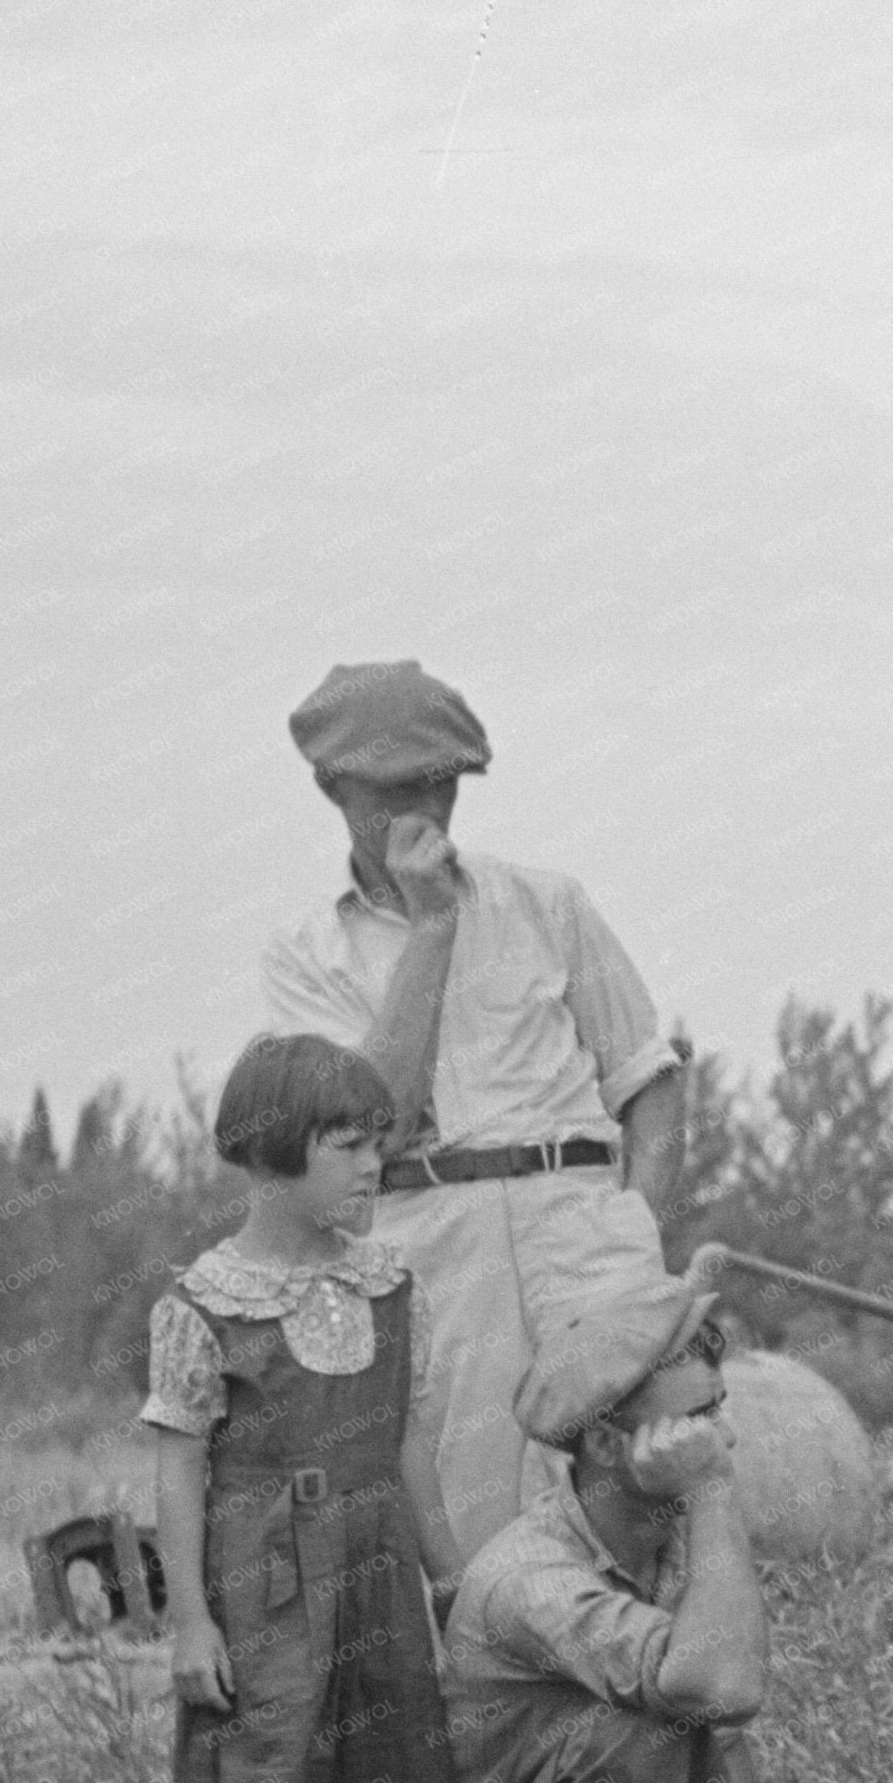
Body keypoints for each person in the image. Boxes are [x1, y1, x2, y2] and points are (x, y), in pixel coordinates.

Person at [260, 659, 687, 1600]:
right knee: (483, 1538)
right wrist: (435, 928)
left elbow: (649, 1084)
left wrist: (636, 1237)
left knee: (648, 1503)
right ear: (331, 786)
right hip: (436, 1253)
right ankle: (509, 1741)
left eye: (443, 781)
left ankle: (658, 1734)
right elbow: (372, 1119)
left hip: (582, 1231)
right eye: (396, 786)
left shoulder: (550, 904)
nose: (426, 806)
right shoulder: (307, 953)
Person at [416, 1270, 830, 1783]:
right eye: (697, 1419)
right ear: (606, 1444)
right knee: (638, 1723)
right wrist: (710, 1491)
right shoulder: (527, 1577)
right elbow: (717, 1684)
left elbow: (727, 1728)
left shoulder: (673, 1543)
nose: (723, 1439)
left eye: (718, 1411)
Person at [142, 1034, 455, 1783]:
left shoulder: (386, 1284)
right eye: (347, 1144)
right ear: (274, 1150)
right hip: (259, 1575)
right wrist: (190, 1621)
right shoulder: (204, 1300)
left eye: (379, 1143)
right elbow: (180, 1467)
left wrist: (447, 1574)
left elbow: (404, 1437)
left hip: (369, 1565)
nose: (374, 1165)